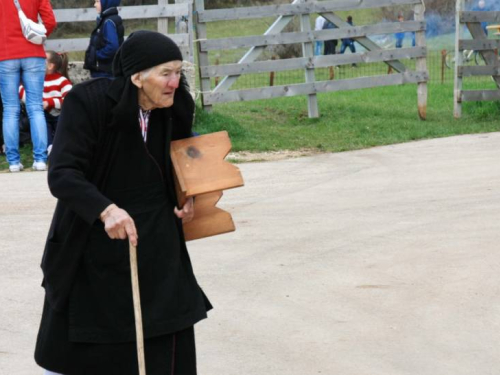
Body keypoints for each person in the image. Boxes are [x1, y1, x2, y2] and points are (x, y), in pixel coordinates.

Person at [35, 30, 212, 375]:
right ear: (136, 77)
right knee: (87, 346)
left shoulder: (177, 105)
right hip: (93, 237)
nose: (175, 82)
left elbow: (181, 160)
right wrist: (106, 210)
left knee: (162, 338)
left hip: (158, 244)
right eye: (166, 73)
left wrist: (187, 194)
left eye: (179, 72)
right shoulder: (88, 103)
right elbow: (63, 173)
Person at [0, 0, 56, 172]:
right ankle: (39, 159)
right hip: (33, 52)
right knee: (35, 107)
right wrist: (38, 35)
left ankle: (13, 162)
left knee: (10, 109)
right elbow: (50, 21)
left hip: (5, 53)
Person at [20, 51, 72, 154]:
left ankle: (61, 150)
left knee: (61, 133)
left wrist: (50, 102)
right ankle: (49, 148)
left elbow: (69, 100)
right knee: (43, 130)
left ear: (50, 66)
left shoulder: (62, 81)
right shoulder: (35, 80)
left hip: (60, 115)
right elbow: (25, 94)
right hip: (43, 114)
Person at [84, 0, 124, 78]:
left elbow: (112, 47)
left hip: (104, 72)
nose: (95, 5)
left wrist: (96, 55)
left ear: (107, 3)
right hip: (108, 70)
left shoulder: (108, 22)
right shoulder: (107, 19)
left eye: (97, 2)